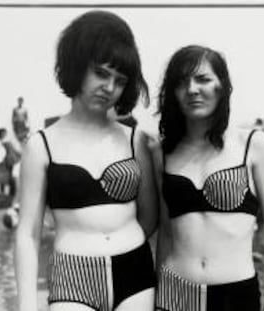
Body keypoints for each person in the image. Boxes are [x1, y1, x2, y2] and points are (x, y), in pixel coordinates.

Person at [15, 11, 158, 311]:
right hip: (73, 276)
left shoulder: (135, 140)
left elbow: (150, 216)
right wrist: (27, 305)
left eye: (119, 80)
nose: (109, 87)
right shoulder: (41, 145)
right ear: (77, 67)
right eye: (101, 73)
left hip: (135, 273)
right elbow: (28, 233)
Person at [154, 45, 264, 311]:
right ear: (173, 93)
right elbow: (166, 233)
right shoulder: (163, 152)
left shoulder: (253, 144)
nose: (192, 89)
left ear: (222, 86)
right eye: (182, 83)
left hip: (235, 295)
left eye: (203, 79)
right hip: (174, 293)